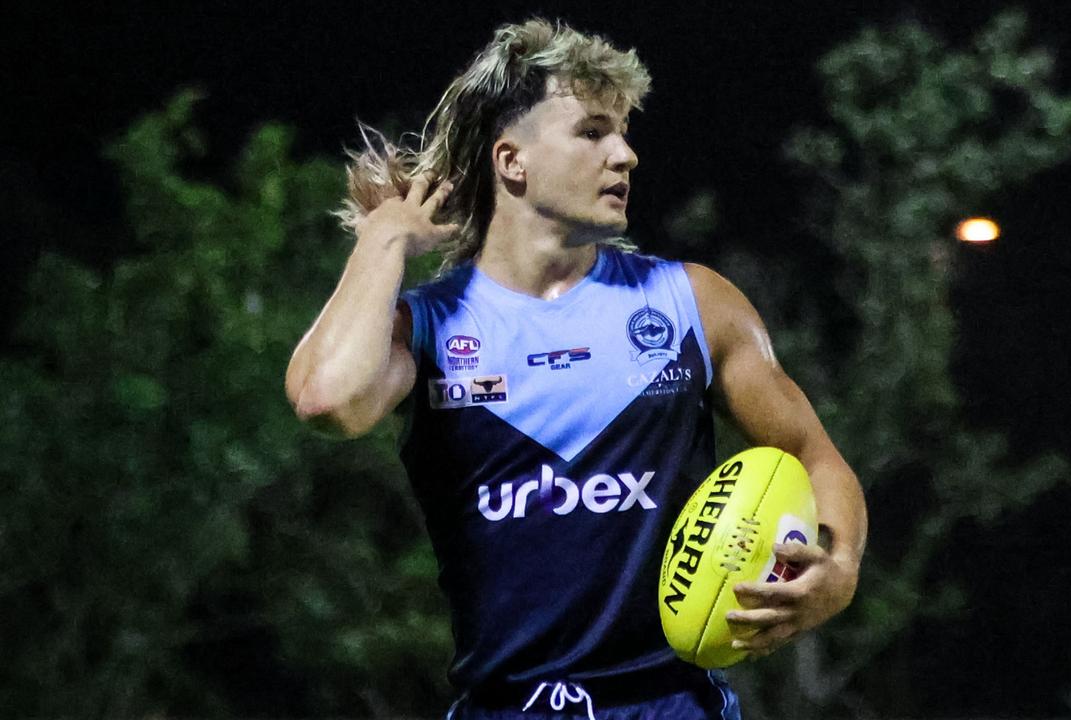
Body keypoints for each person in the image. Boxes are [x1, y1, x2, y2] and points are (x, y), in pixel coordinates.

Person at [285, 18, 867, 720]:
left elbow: (812, 454)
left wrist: (836, 567)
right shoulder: (429, 328)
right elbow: (327, 401)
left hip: (670, 706)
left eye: (623, 133)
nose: (625, 155)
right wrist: (383, 240)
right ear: (512, 162)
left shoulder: (692, 304)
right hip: (505, 708)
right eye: (593, 133)